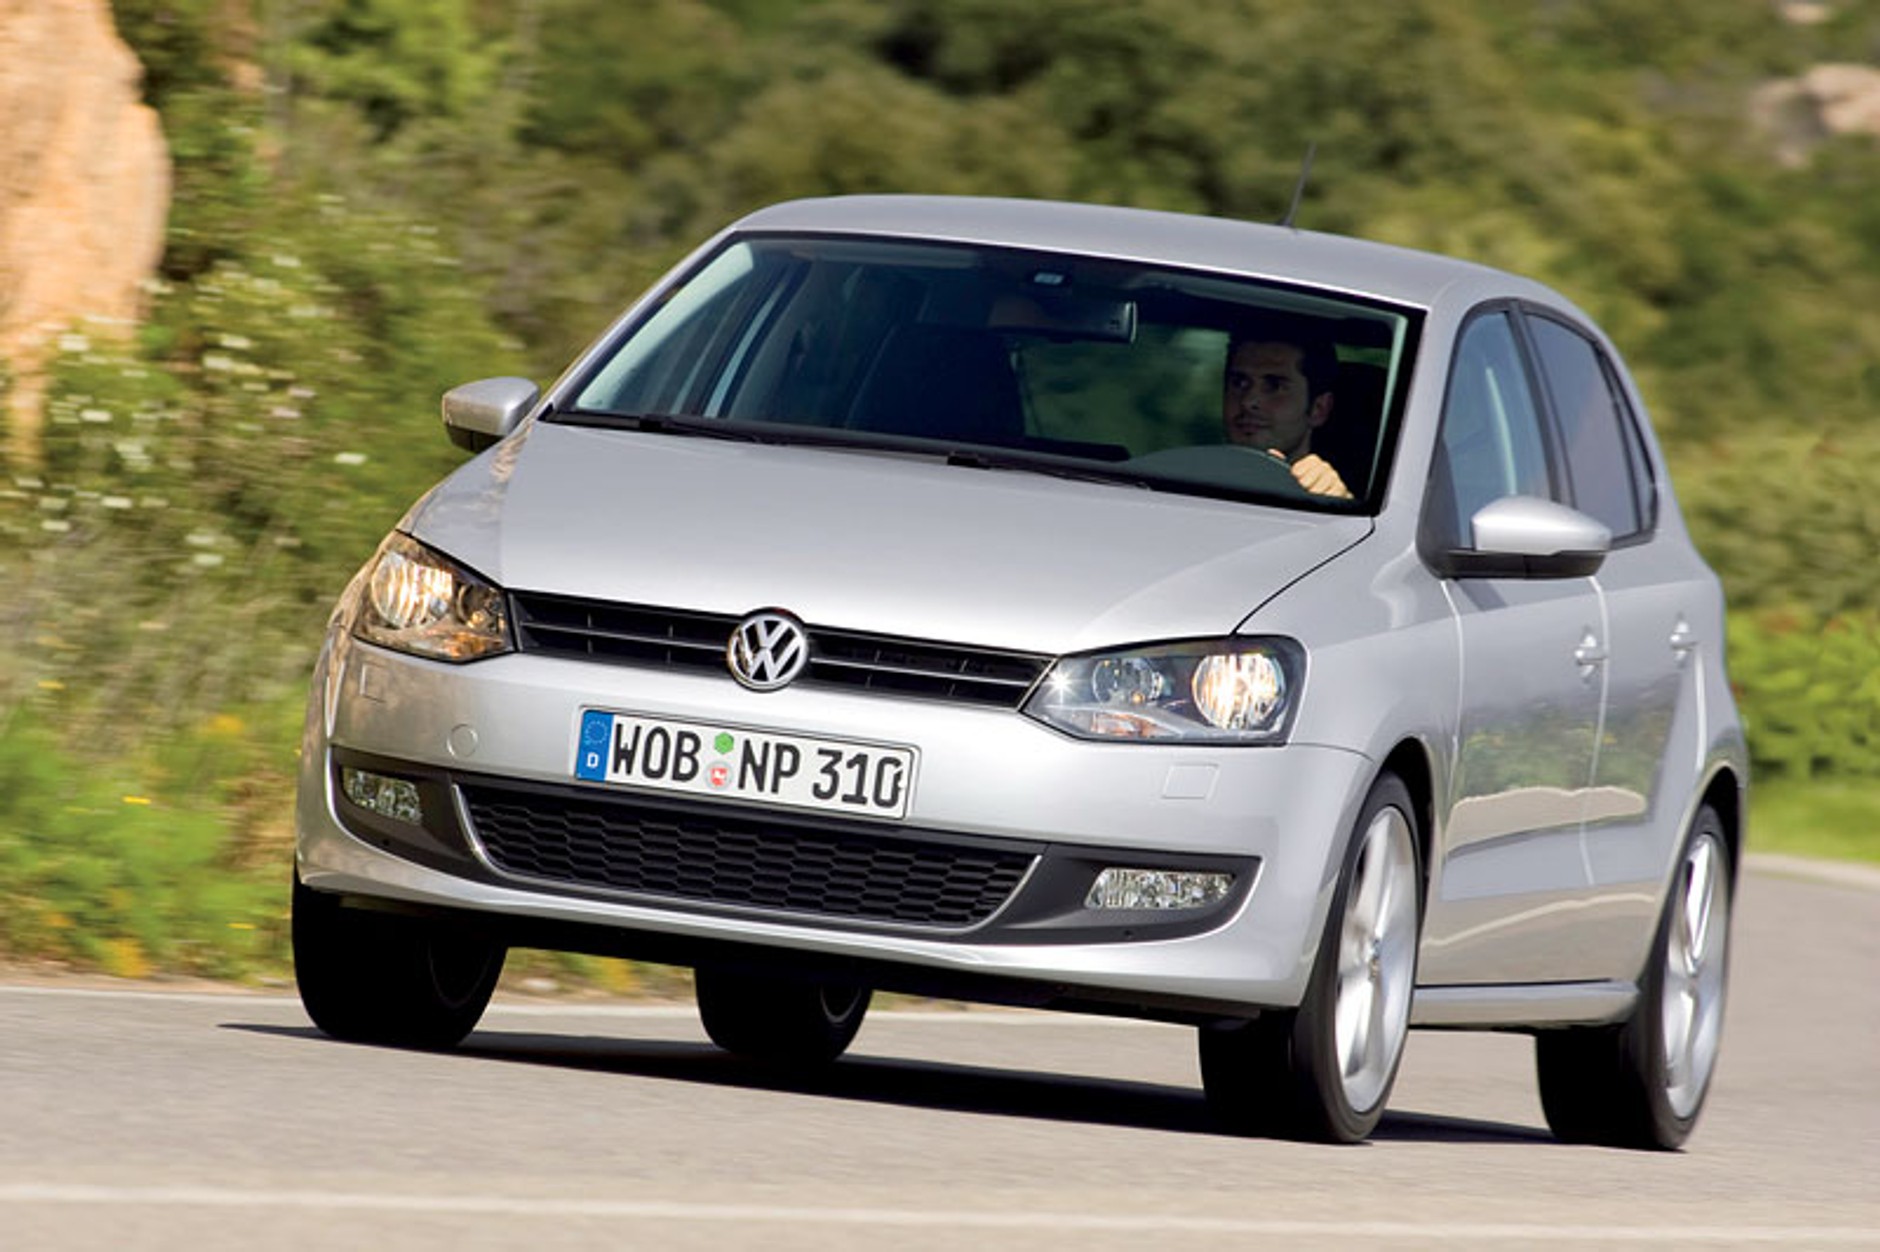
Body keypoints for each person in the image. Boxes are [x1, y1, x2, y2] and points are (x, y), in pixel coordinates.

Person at [1221, 326, 1352, 498]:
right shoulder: (1189, 474)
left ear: (1318, 409)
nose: (1248, 401)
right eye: (1239, 383)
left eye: (1274, 386)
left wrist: (1337, 504)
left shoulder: (1327, 495)